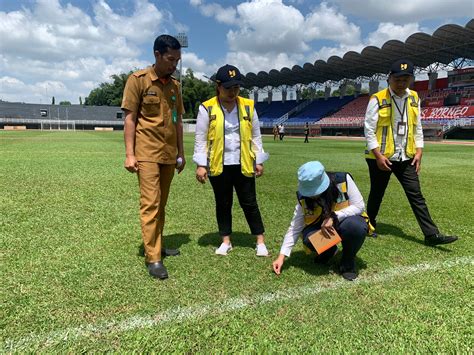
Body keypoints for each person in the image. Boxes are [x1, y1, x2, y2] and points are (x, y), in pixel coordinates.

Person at [364, 59, 458, 246]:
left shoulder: (415, 97)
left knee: (415, 194)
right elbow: (368, 129)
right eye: (398, 79)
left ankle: (431, 235)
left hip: (406, 156)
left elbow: (418, 128)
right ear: (389, 78)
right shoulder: (378, 98)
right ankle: (368, 225)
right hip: (381, 157)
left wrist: (419, 150)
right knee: (377, 192)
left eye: (405, 79)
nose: (401, 83)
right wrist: (378, 155)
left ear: (411, 79)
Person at [122, 34, 185, 280]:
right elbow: (129, 119)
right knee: (151, 204)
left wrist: (181, 152)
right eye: (171, 59)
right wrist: (129, 154)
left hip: (168, 154)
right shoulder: (137, 80)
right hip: (146, 152)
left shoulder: (175, 86)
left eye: (177, 60)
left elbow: (178, 120)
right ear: (157, 55)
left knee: (162, 204)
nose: (174, 65)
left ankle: (158, 245)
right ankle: (153, 257)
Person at [193, 64, 269, 256]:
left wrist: (258, 160)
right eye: (228, 88)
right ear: (218, 86)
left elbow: (256, 135)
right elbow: (201, 139)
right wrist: (201, 165)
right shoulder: (206, 108)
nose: (232, 92)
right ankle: (225, 240)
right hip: (219, 164)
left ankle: (260, 241)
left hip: (244, 162)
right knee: (223, 203)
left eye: (236, 87)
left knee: (249, 202)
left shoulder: (248, 106)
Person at [272, 161, 369, 281]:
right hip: (320, 228)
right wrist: (281, 256)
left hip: (345, 222)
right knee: (309, 239)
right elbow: (295, 227)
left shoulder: (343, 180)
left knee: (355, 227)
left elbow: (359, 206)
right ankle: (329, 251)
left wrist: (334, 217)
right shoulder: (303, 198)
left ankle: (347, 262)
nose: (312, 195)